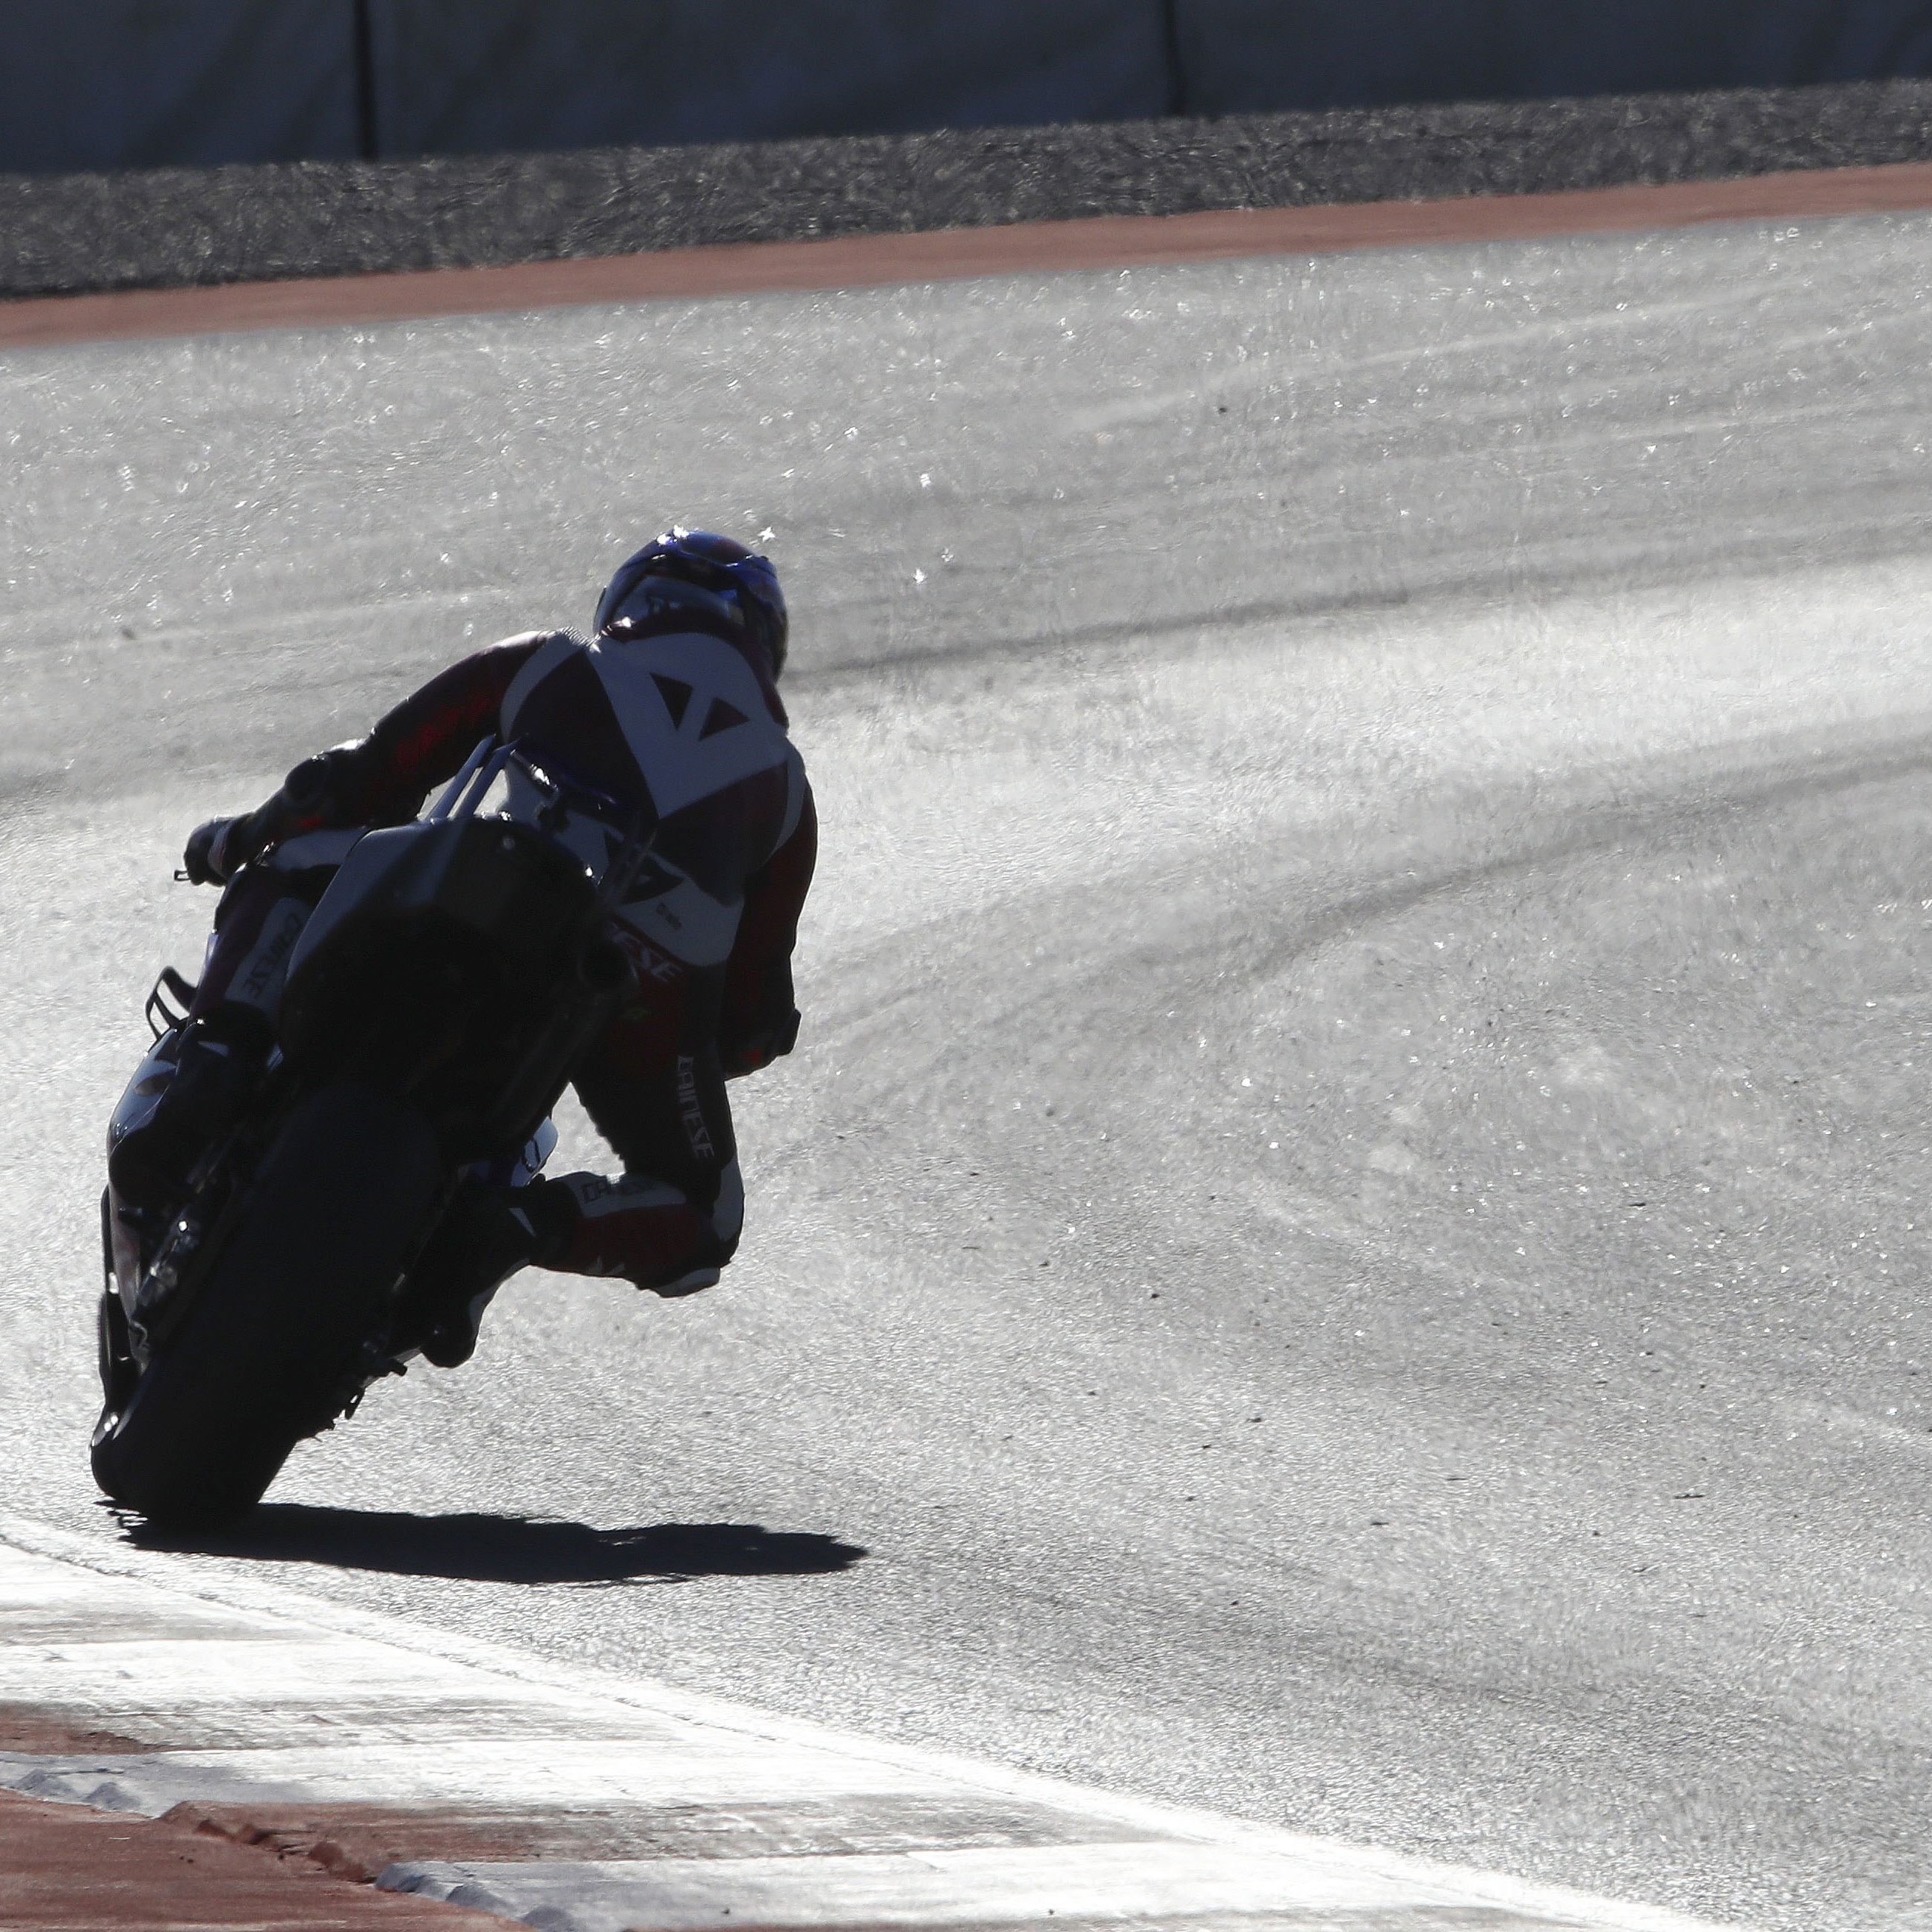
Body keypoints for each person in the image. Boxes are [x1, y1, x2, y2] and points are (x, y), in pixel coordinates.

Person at [110, 530, 816, 1362]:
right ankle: (517, 1225)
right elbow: (753, 1009)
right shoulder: (785, 790)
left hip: (475, 873)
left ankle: (219, 1055)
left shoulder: (551, 661)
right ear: (762, 645)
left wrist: (237, 838)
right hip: (631, 983)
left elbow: (356, 777)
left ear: (628, 603)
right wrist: (696, 1051)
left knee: (295, 855)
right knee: (706, 1216)